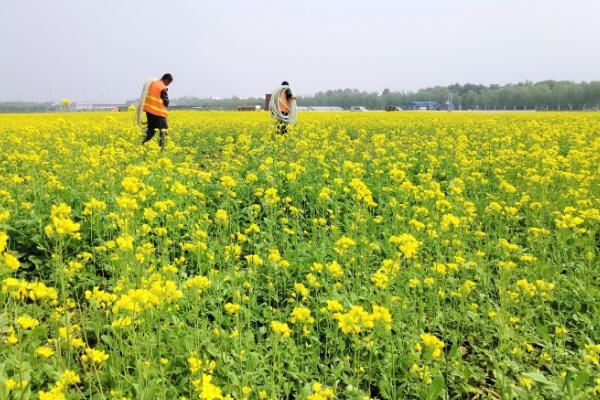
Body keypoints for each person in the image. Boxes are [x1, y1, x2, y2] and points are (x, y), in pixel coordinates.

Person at [142, 73, 172, 148]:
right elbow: (166, 102)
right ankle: (162, 149)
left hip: (149, 113)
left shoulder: (152, 84)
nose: (168, 85)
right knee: (163, 131)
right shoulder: (162, 87)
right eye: (168, 83)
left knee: (151, 131)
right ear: (166, 80)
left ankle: (143, 146)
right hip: (159, 113)